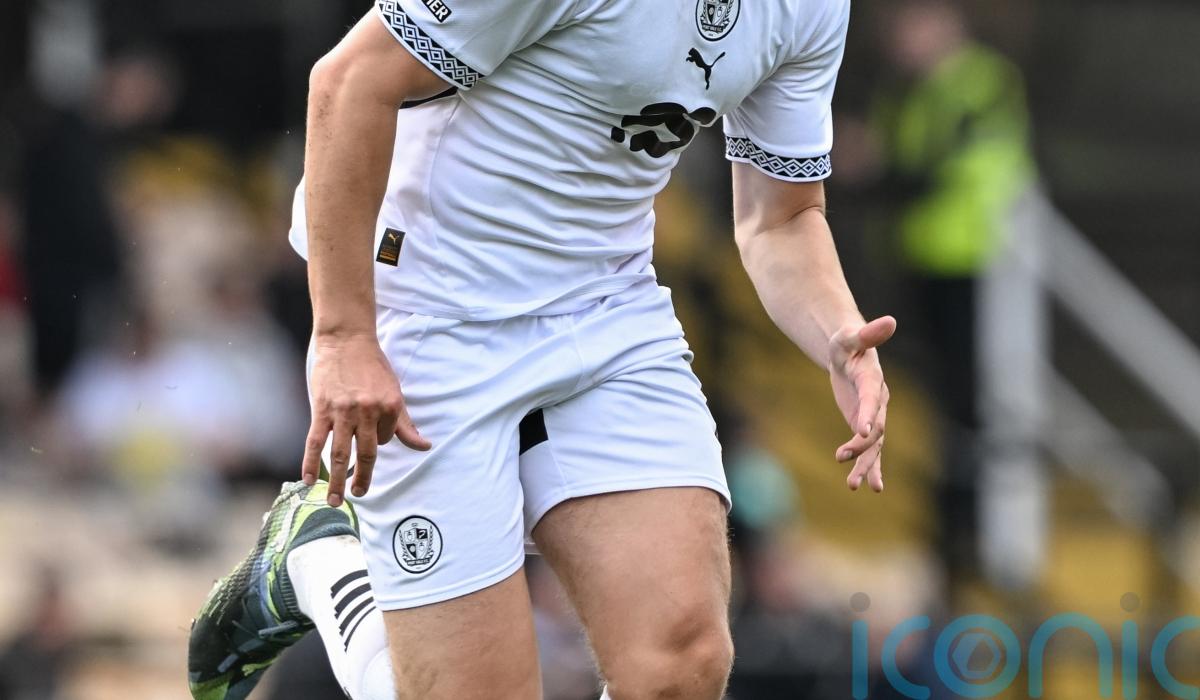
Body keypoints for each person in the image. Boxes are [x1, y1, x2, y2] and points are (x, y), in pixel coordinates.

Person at [188, 1, 895, 698]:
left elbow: (780, 217)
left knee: (680, 667)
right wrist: (344, 338)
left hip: (608, 307)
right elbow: (348, 82)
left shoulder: (812, 8)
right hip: (433, 306)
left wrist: (838, 334)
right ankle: (318, 557)